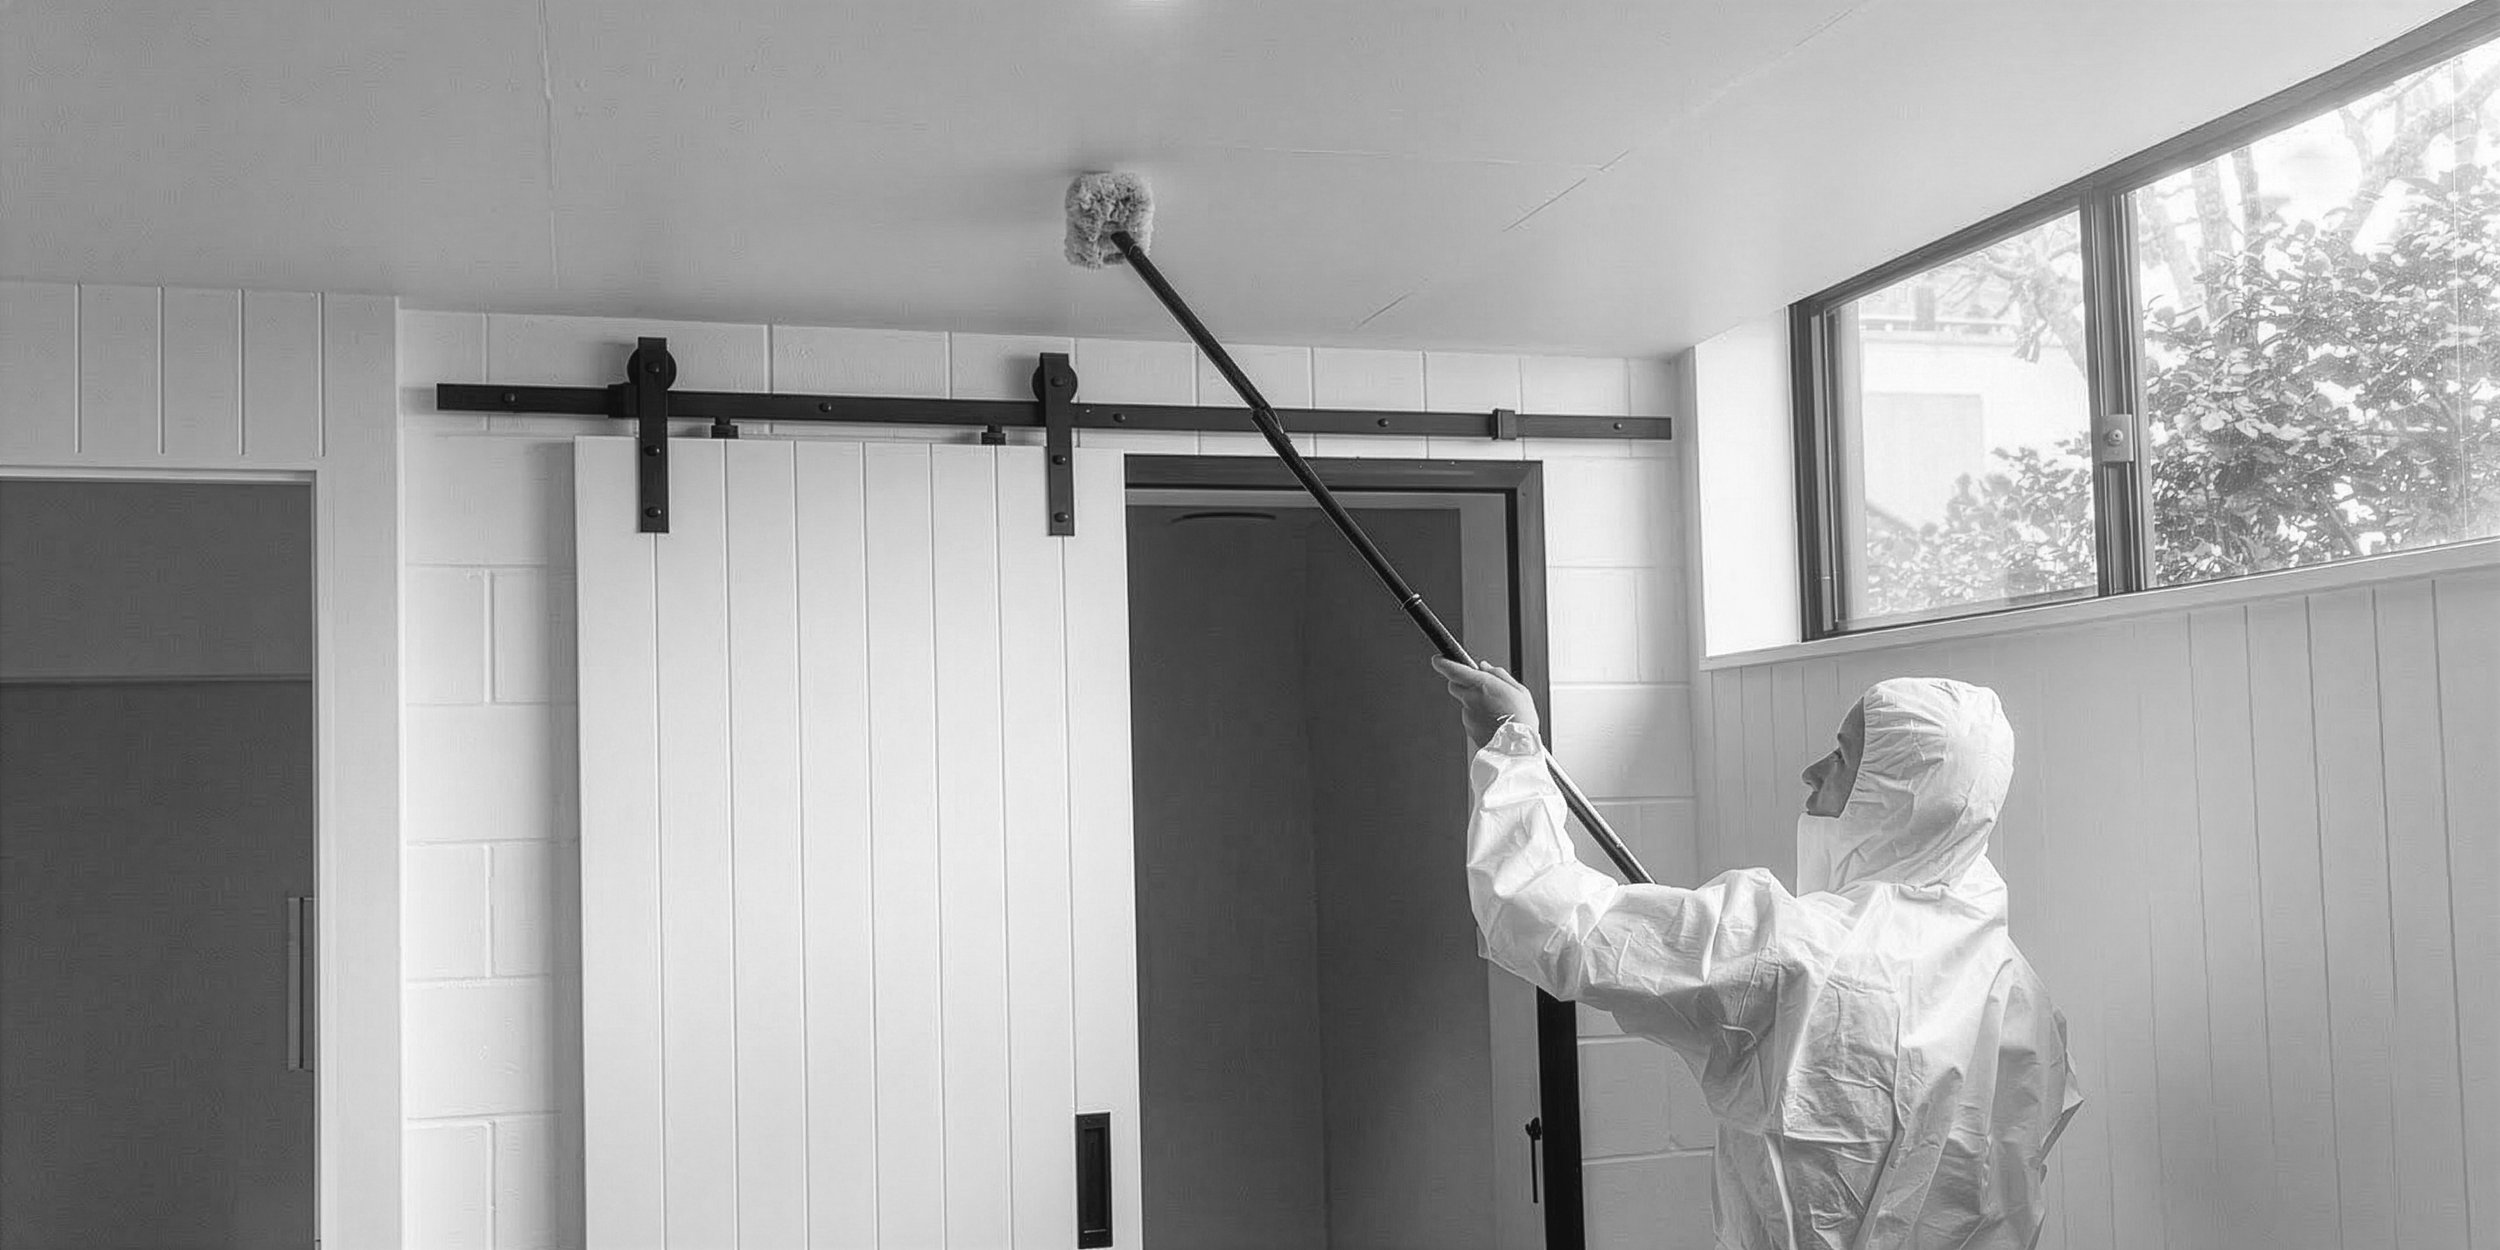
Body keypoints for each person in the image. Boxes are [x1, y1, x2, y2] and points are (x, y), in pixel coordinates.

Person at [1434, 659, 2082, 1250]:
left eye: (1842, 756)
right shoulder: (2020, 992)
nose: (1813, 772)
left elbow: (1541, 913)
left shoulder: (1794, 953)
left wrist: (1512, 741)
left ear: (1893, 793)